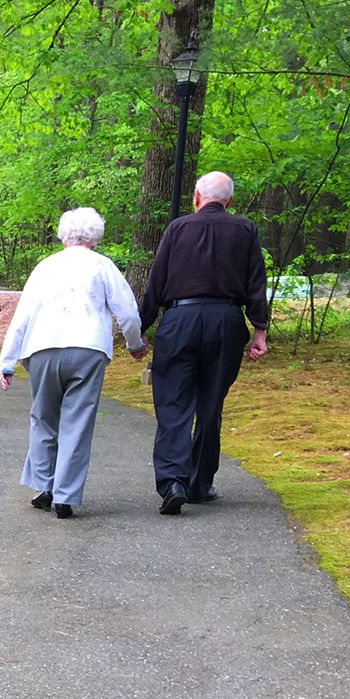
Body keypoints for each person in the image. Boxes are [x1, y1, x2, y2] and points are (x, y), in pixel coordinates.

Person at [0, 207, 146, 519]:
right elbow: (128, 312)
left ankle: (43, 486)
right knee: (77, 423)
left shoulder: (45, 267)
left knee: (43, 418)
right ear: (95, 235)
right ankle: (65, 496)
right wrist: (135, 345)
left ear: (64, 234)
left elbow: (22, 316)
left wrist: (7, 362)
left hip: (42, 348)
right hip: (88, 349)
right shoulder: (103, 266)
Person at [138, 170, 270, 515]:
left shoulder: (178, 228)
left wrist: (140, 328)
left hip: (180, 320)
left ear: (196, 197)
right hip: (226, 321)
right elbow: (257, 281)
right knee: (211, 403)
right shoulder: (245, 230)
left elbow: (157, 280)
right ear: (229, 201)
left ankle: (173, 482)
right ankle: (199, 482)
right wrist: (260, 330)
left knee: (173, 404)